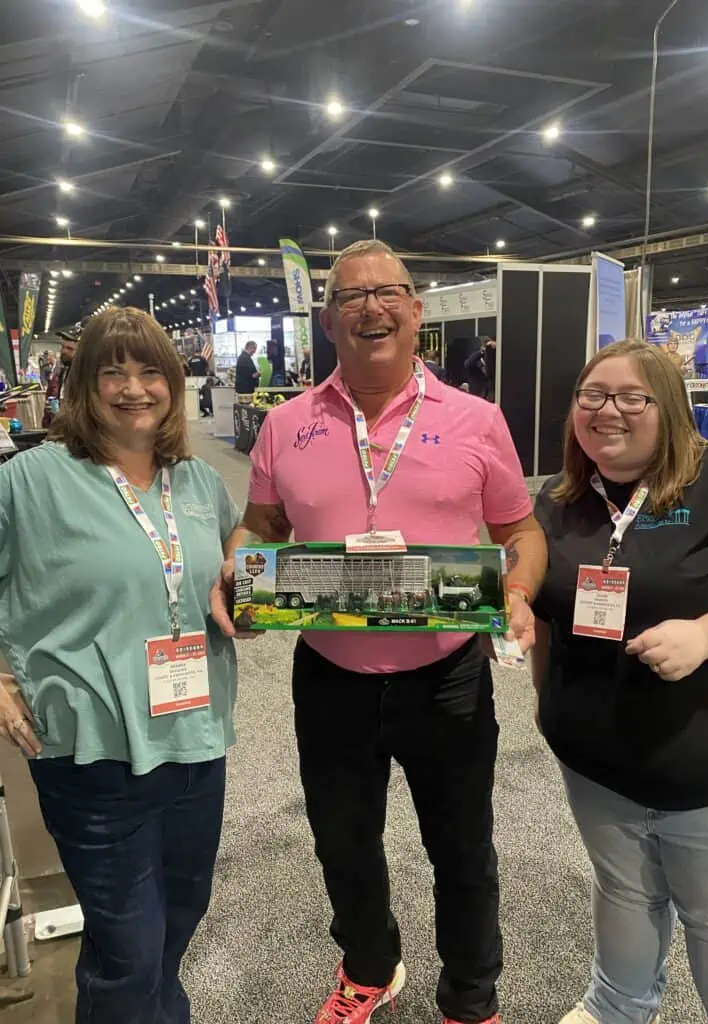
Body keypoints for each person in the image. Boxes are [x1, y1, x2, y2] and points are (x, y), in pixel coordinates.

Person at [211, 238, 548, 1024]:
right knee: (343, 843)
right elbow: (259, 527)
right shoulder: (287, 424)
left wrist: (520, 590)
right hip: (331, 675)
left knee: (462, 848)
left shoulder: (477, 419)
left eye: (389, 291)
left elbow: (520, 532)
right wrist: (244, 576)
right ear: (330, 319)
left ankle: (470, 997)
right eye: (352, 296)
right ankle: (370, 967)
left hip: (448, 672)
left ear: (416, 311)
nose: (372, 306)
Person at [0, 307, 241, 1024]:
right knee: (127, 949)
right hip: (92, 750)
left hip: (196, 741)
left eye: (149, 372)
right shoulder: (30, 480)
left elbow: (234, 579)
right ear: (83, 385)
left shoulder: (198, 484)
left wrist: (250, 608)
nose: (133, 388)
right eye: (113, 372)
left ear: (174, 382)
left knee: (179, 917)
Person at [531, 339, 708, 1024]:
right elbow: (546, 615)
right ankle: (618, 1004)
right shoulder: (560, 497)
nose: (609, 411)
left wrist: (707, 637)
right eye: (592, 396)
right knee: (624, 894)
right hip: (597, 767)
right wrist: (543, 696)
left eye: (632, 397)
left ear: (668, 405)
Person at [42, 322, 82, 427]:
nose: (63, 351)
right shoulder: (63, 373)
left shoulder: (87, 378)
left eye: (70, 349)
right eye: (63, 347)